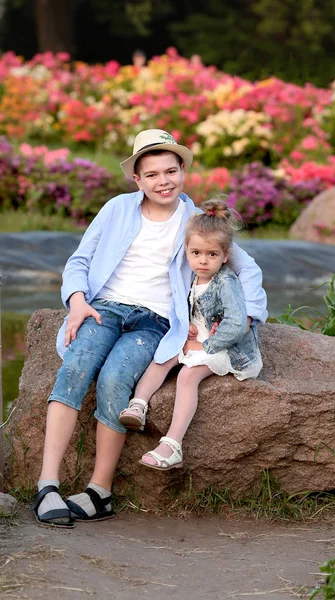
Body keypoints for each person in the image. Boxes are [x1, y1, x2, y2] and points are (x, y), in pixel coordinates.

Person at [30, 129, 268, 528]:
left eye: (171, 171)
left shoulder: (196, 221)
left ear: (182, 173)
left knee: (115, 379)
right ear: (137, 179)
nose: (163, 181)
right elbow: (80, 261)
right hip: (103, 308)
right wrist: (76, 303)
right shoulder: (117, 209)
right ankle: (47, 484)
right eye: (153, 174)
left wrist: (247, 317)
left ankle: (98, 492)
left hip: (155, 320)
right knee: (75, 368)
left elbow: (247, 267)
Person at [119, 198, 263, 470]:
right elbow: (191, 306)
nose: (203, 261)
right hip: (200, 336)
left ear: (225, 255)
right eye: (196, 253)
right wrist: (190, 327)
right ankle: (138, 405)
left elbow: (234, 325)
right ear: (186, 251)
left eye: (212, 255)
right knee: (163, 357)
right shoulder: (190, 276)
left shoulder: (227, 282)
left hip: (226, 347)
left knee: (187, 375)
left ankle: (172, 445)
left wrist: (205, 344)